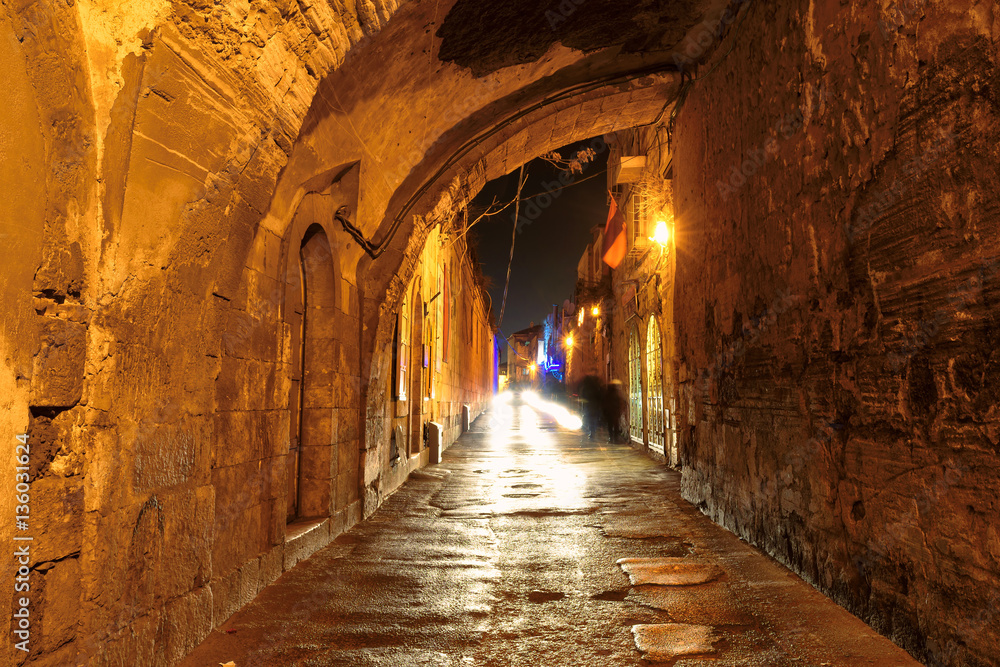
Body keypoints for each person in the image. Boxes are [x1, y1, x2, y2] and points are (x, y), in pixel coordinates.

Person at [578, 375, 604, 439]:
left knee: (589, 419)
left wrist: (582, 406)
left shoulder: (585, 388)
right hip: (595, 406)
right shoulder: (596, 387)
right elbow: (599, 396)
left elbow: (583, 397)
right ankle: (593, 432)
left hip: (588, 406)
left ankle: (591, 432)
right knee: (594, 419)